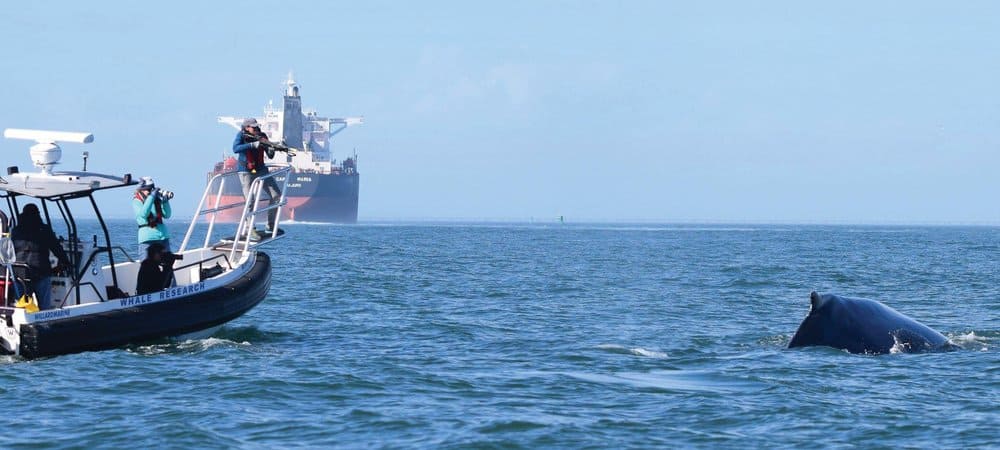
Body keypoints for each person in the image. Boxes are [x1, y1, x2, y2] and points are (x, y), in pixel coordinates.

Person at [11, 204, 71, 310]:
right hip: (40, 271)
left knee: (22, 307)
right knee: (44, 307)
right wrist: (66, 262)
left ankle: (21, 322)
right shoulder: (44, 230)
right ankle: (44, 323)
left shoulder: (16, 231)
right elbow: (56, 247)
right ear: (37, 214)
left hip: (20, 272)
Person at [232, 117, 282, 238]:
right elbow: (235, 148)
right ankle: (250, 229)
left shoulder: (262, 135)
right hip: (245, 171)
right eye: (253, 127)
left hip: (261, 170)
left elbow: (270, 156)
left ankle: (271, 225)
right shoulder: (241, 136)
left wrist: (271, 149)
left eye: (256, 127)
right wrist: (252, 145)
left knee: (276, 196)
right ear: (246, 127)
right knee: (250, 200)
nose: (255, 129)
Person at [133, 176, 172, 256]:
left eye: (151, 189)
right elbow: (144, 214)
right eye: (147, 189)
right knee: (147, 265)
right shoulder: (137, 201)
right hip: (147, 239)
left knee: (168, 261)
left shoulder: (156, 200)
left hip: (162, 237)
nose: (150, 191)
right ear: (141, 189)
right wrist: (151, 197)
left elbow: (167, 215)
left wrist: (165, 201)